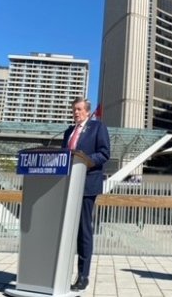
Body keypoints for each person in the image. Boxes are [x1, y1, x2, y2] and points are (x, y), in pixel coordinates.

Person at [61, 97, 110, 292]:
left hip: (87, 185)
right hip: (67, 187)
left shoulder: (98, 128)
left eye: (79, 109)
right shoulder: (67, 132)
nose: (76, 113)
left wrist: (86, 161)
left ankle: (83, 275)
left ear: (88, 112)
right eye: (74, 109)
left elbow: (105, 153)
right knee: (65, 230)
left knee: (83, 231)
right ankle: (61, 271)